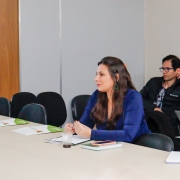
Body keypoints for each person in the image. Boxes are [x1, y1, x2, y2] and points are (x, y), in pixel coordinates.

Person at [65, 56, 150, 142]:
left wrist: (92, 134)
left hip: (136, 148)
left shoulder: (133, 97)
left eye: (101, 74)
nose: (96, 79)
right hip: (109, 148)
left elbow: (128, 135)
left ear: (116, 77)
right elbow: (85, 125)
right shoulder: (97, 95)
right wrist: (74, 128)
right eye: (96, 74)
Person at [140, 55, 180, 150]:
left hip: (169, 125)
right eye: (163, 68)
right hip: (149, 120)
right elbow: (139, 98)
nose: (164, 72)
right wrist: (154, 108)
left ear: (177, 70)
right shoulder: (154, 82)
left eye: (168, 69)